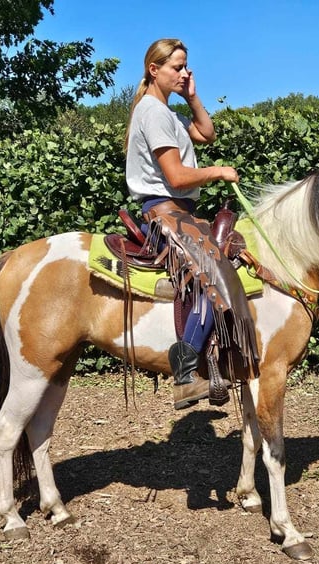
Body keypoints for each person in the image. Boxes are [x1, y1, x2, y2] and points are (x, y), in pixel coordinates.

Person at [125, 38, 255, 409]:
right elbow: (178, 177)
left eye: (186, 68)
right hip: (165, 213)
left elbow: (206, 133)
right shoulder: (151, 112)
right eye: (177, 67)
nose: (184, 74)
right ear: (154, 70)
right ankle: (184, 376)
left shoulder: (168, 114)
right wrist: (219, 172)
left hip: (180, 212)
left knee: (216, 265)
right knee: (211, 273)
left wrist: (192, 97)